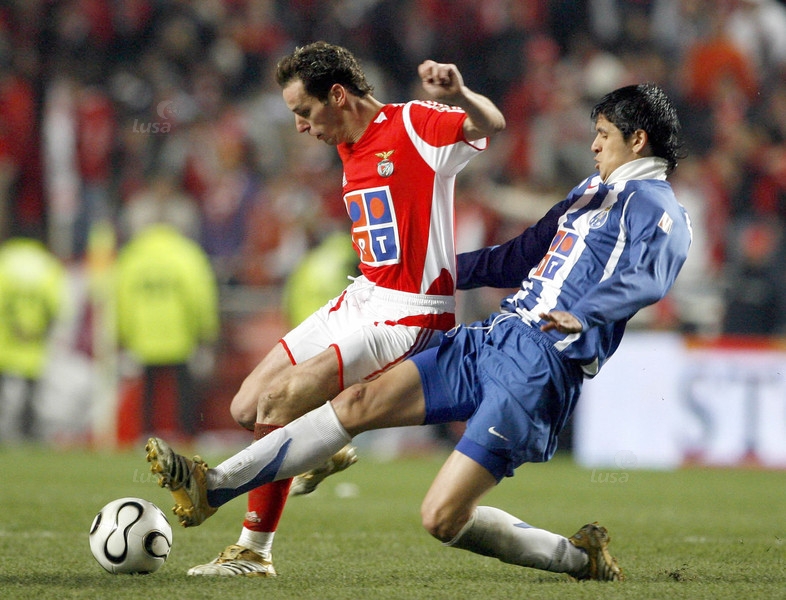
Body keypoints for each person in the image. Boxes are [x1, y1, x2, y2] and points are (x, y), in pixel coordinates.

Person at [147, 82, 691, 581]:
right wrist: (431, 272)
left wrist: (588, 313)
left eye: (603, 135)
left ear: (637, 140)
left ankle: (577, 558)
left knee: (442, 517)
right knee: (357, 402)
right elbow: (520, 255)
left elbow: (648, 278)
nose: (594, 146)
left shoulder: (659, 207)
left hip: (540, 366)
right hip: (494, 336)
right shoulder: (590, 191)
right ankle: (214, 486)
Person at [171, 41, 505, 577]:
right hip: (363, 295)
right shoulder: (347, 145)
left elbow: (490, 123)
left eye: (304, 111)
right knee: (246, 407)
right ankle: (317, 449)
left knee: (280, 402)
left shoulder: (414, 124)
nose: (301, 126)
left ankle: (253, 552)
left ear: (338, 95)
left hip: (411, 311)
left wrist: (460, 92)